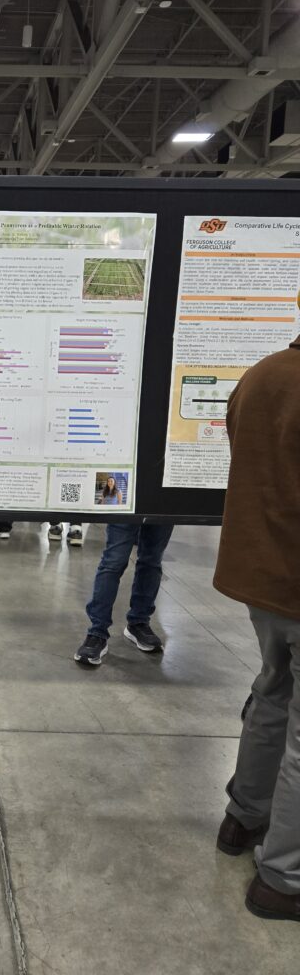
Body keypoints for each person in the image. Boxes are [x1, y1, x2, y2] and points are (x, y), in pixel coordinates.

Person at [213, 330, 300, 922]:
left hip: (263, 578)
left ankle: (243, 818)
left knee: (272, 689)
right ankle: (283, 878)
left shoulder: (261, 375)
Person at [73, 522, 174, 665]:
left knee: (152, 562)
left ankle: (139, 622)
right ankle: (97, 631)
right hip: (125, 503)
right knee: (113, 562)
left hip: (164, 504)